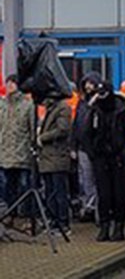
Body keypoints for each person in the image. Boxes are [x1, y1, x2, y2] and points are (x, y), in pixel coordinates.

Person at [82, 81, 125, 242]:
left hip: (118, 157)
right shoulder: (94, 111)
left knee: (119, 194)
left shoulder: (122, 110)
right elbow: (86, 133)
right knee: (104, 194)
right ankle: (105, 226)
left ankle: (119, 227)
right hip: (101, 157)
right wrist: (92, 153)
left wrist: (124, 154)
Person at [0, 74, 35, 223]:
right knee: (8, 186)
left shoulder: (27, 105)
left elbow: (32, 129)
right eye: (7, 83)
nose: (9, 87)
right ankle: (10, 213)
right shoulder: (2, 105)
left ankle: (25, 216)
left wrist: (32, 145)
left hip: (22, 152)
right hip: (5, 152)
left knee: (24, 185)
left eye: (12, 83)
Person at [37, 95, 73, 233]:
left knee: (59, 191)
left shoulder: (62, 107)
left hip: (57, 155)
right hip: (47, 156)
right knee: (50, 191)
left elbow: (63, 130)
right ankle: (53, 221)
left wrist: (42, 137)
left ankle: (62, 222)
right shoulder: (51, 108)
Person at [72, 72, 101, 222]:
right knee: (85, 179)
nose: (89, 86)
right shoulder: (82, 103)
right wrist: (73, 146)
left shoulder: (100, 103)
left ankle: (96, 207)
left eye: (91, 83)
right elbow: (77, 125)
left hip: (96, 148)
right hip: (83, 147)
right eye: (86, 83)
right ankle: (89, 206)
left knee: (96, 178)